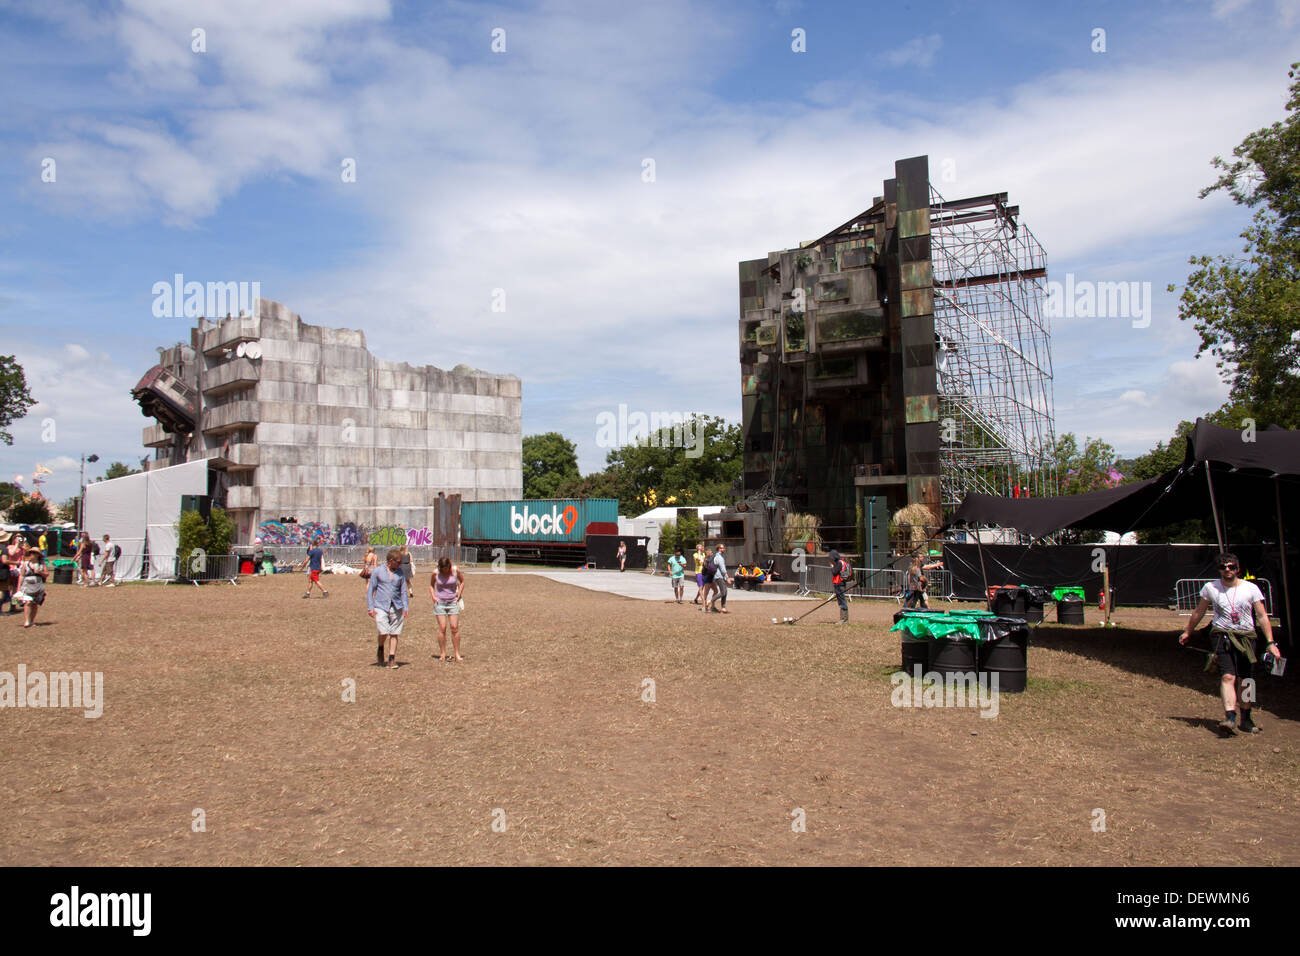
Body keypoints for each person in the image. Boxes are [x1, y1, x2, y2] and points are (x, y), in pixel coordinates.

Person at [1181, 553, 1280, 735]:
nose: (1228, 570)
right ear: (1218, 570)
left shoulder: (1251, 588)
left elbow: (1261, 616)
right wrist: (1188, 630)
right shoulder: (1210, 588)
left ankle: (1247, 718)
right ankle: (1230, 717)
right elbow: (1199, 611)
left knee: (1246, 680)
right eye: (1223, 567)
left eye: (1231, 566)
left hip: (1247, 637)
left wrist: (1270, 642)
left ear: (1238, 568)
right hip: (1222, 636)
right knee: (1228, 677)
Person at [367, 548, 409, 668]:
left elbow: (403, 591)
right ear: (391, 560)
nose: (400, 564)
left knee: (394, 633)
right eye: (398, 561)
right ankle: (380, 647)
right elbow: (371, 590)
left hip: (397, 606)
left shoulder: (400, 573)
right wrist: (370, 607)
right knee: (383, 631)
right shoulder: (378, 571)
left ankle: (391, 659)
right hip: (380, 605)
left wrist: (405, 606)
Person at [430, 556, 466, 662]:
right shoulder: (435, 573)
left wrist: (459, 594)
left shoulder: (455, 570)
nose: (445, 571)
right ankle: (442, 653)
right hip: (440, 603)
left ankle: (457, 654)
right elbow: (431, 585)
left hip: (452, 602)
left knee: (454, 628)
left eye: (446, 568)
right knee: (442, 628)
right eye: (443, 569)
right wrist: (433, 597)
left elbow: (462, 581)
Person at [17, 548, 47, 628]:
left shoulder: (42, 563)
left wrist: (39, 572)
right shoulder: (25, 564)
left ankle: (32, 621)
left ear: (38, 555)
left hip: (38, 585)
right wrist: (19, 588)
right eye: (30, 553)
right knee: (28, 602)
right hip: (27, 585)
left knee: (34, 603)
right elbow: (21, 576)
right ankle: (27, 621)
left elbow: (46, 574)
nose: (31, 554)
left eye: (34, 553)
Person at [829, 548, 851, 624]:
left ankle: (844, 619)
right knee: (841, 600)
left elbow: (834, 572)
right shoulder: (842, 562)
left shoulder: (839, 563)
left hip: (839, 583)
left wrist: (832, 566)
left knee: (842, 601)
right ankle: (844, 619)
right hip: (840, 583)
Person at [708, 544, 731, 614]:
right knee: (723, 592)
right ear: (719, 549)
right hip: (719, 576)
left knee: (725, 592)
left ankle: (723, 608)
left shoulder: (718, 556)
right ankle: (710, 601)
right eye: (722, 548)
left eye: (724, 548)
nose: (724, 549)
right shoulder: (719, 557)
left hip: (719, 576)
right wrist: (727, 578)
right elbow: (723, 569)